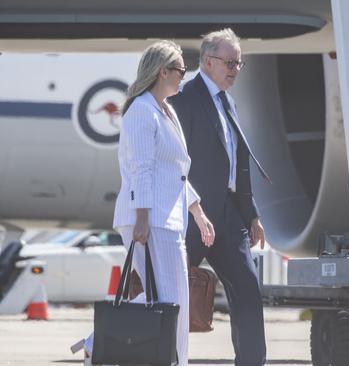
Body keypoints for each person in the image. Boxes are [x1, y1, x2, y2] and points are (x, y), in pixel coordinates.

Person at [79, 40, 215, 366]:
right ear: (162, 71)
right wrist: (142, 217)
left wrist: (198, 212)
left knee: (172, 297)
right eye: (181, 69)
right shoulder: (141, 110)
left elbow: (175, 172)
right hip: (149, 217)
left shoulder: (166, 110)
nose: (185, 75)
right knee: (171, 298)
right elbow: (142, 167)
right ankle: (112, 344)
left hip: (166, 218)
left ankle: (98, 341)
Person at [169, 28, 268, 366]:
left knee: (249, 293)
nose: (235, 69)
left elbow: (238, 164)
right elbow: (173, 161)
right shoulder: (182, 99)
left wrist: (251, 214)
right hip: (191, 213)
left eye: (239, 63)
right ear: (208, 62)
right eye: (230, 62)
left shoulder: (229, 102)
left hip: (228, 216)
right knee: (169, 296)